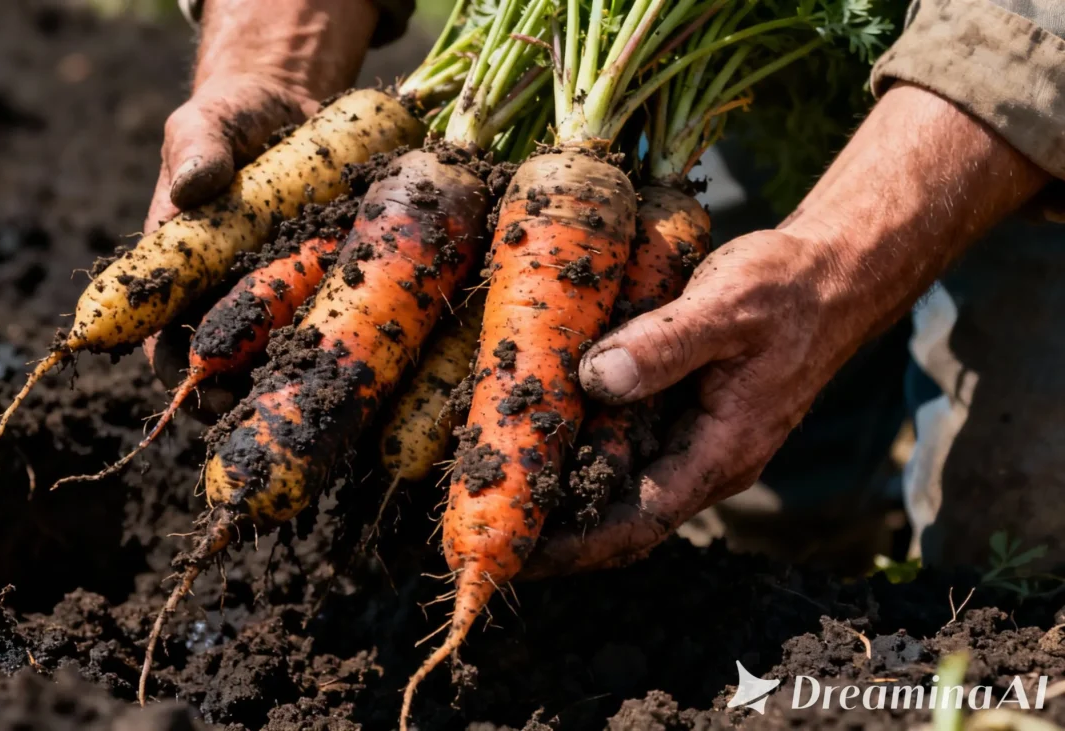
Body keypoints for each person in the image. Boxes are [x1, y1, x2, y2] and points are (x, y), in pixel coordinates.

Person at [149, 0, 1065, 575]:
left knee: (1019, 545)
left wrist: (833, 271)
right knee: (733, 484)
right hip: (712, 84)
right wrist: (274, 61)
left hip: (1014, 41)